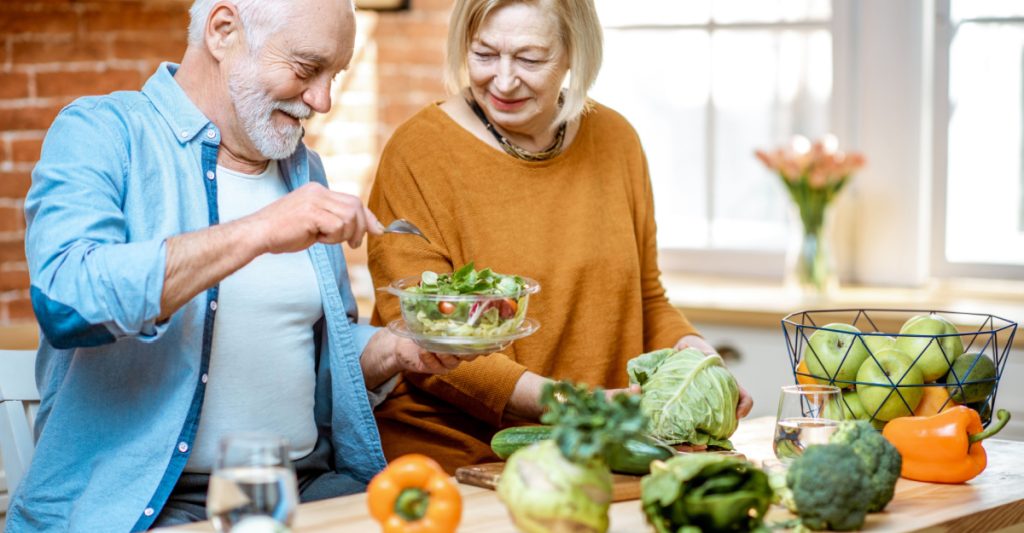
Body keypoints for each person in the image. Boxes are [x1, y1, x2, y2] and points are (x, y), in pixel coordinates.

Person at [8, 0, 464, 530]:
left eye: (334, 75)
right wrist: (260, 230)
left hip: (306, 489)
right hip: (146, 507)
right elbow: (67, 301)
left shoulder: (303, 169)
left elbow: (308, 351)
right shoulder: (103, 133)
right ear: (223, 31)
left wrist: (397, 349)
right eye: (306, 68)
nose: (323, 100)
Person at [366, 0, 754, 474]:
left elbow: (645, 298)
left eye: (530, 59)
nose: (504, 81)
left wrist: (700, 361)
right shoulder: (418, 153)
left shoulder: (617, 141)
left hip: (597, 451)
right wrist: (573, 405)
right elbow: (425, 337)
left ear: (575, 53)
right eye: (485, 54)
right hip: (461, 462)